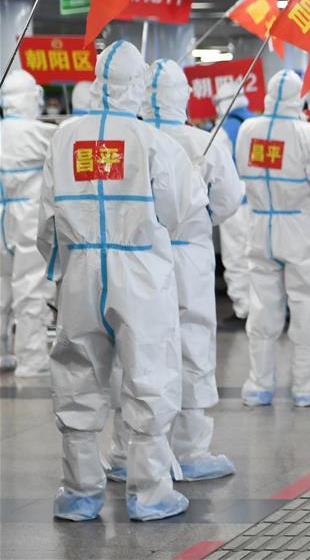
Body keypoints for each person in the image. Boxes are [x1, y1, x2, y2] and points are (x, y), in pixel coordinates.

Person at [36, 40, 205, 521]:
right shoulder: (153, 141)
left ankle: (80, 492)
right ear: (138, 86)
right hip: (140, 275)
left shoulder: (64, 138)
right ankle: (149, 492)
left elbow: (46, 223)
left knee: (77, 375)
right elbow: (178, 212)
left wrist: (64, 268)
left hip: (80, 273)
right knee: (150, 375)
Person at [106, 59, 242, 481]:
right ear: (182, 95)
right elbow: (228, 200)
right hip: (187, 256)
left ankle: (125, 449)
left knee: (134, 346)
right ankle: (190, 448)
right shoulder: (204, 141)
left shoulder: (127, 140)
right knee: (192, 342)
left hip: (137, 255)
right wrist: (197, 221)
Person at [237, 70, 310, 407]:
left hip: (260, 225)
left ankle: (259, 384)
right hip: (301, 229)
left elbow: (242, 170)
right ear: (299, 97)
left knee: (261, 306)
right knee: (309, 303)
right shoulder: (308, 133)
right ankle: (307, 385)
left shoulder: (248, 129)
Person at [0, 69, 57, 375]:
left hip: (2, 217)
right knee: (30, 287)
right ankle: (32, 358)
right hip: (27, 218)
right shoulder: (37, 133)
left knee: (1, 287)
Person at [212, 82, 254, 324]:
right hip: (260, 202)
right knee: (258, 257)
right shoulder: (257, 122)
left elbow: (214, 167)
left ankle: (243, 308)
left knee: (236, 256)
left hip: (235, 203)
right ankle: (262, 308)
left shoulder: (223, 130)